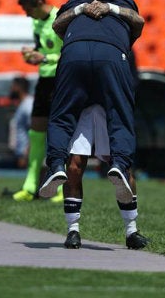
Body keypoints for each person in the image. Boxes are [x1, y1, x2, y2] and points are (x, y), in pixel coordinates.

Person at [39, 0, 145, 205]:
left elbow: (57, 26)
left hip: (73, 55)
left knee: (61, 115)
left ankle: (55, 164)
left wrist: (80, 11)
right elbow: (138, 22)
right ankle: (119, 164)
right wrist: (112, 9)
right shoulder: (124, 0)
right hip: (111, 56)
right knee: (120, 114)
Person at [63, 104, 148, 250]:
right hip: (82, 105)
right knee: (73, 168)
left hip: (109, 104)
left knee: (123, 168)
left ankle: (131, 231)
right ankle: (73, 230)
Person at [12, 0, 63, 202]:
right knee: (36, 132)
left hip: (61, 81)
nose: (26, 14)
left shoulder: (61, 18)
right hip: (44, 81)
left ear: (40, 2)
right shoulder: (36, 23)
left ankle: (60, 189)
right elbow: (41, 50)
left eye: (28, 9)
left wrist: (43, 58)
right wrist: (33, 57)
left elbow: (68, 53)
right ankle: (31, 186)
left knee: (60, 133)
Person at [8, 76, 33, 168]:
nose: (11, 89)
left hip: (28, 154)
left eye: (13, 86)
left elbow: (34, 131)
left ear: (18, 87)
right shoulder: (22, 104)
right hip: (22, 152)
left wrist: (27, 153)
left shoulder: (28, 106)